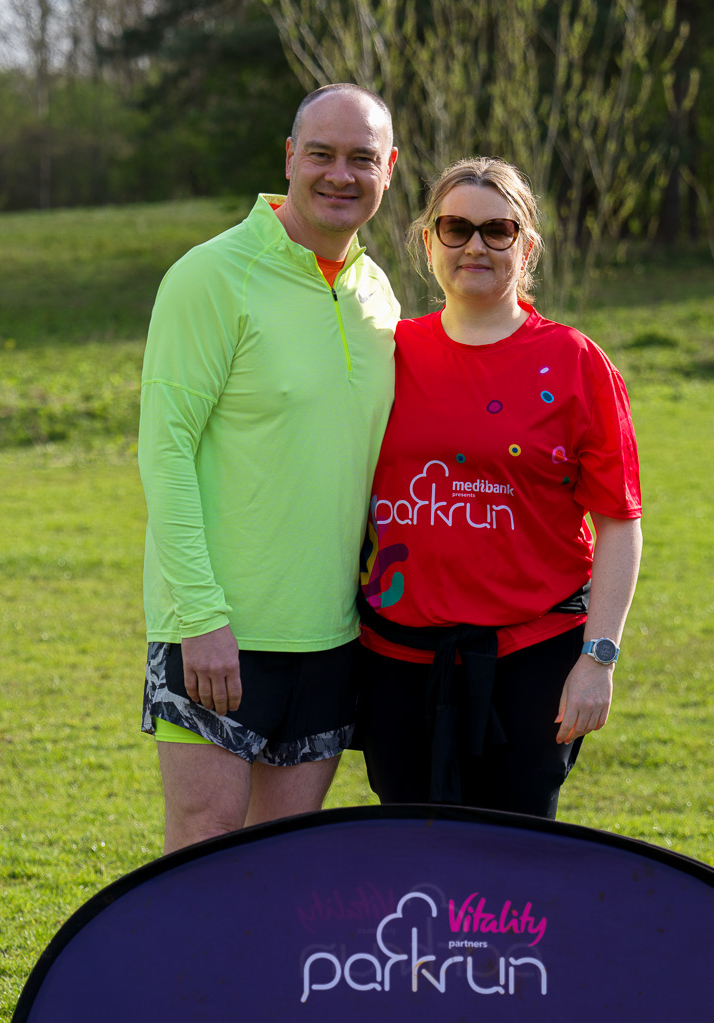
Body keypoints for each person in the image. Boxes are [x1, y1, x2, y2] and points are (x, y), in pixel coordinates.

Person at [137, 84, 401, 852]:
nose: (340, 175)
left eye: (361, 159)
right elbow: (164, 450)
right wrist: (199, 617)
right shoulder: (211, 275)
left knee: (286, 861)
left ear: (388, 168)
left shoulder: (377, 293)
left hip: (332, 636)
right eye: (321, 154)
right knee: (206, 848)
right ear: (289, 158)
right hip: (216, 630)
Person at [356, 157, 642, 818]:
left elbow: (619, 522)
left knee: (514, 851)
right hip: (397, 658)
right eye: (455, 228)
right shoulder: (385, 353)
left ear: (527, 246)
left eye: (498, 230)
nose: (475, 246)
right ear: (428, 242)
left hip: (533, 656)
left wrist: (598, 659)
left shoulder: (574, 362)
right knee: (408, 843)